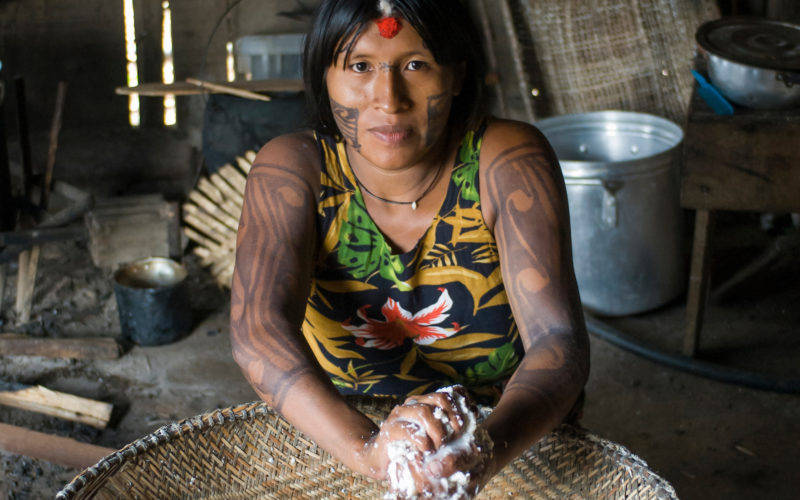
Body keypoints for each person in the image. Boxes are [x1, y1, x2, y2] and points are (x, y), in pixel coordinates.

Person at [230, 0, 589, 497]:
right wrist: (370, 453)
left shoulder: (507, 161)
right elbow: (257, 330)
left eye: (415, 65)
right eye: (360, 66)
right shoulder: (294, 170)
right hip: (346, 431)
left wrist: (475, 453)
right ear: (323, 76)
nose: (389, 98)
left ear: (458, 75)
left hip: (504, 435)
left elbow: (559, 340)